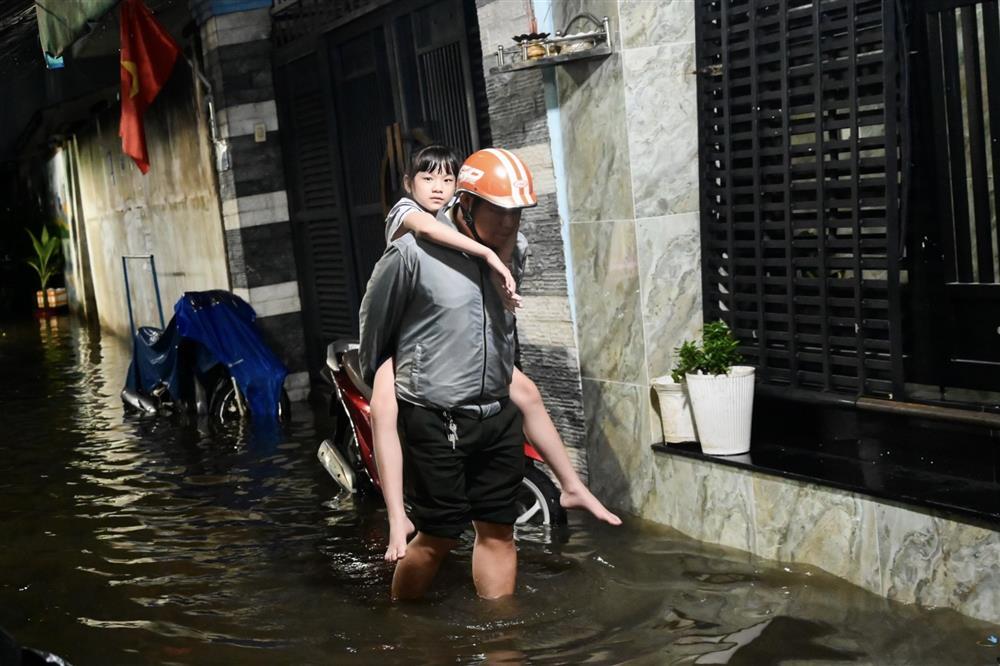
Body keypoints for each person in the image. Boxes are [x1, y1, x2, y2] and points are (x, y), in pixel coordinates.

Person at [361, 148, 618, 602]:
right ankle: (406, 627)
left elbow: (500, 327)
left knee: (499, 531)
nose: (508, 225)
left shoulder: (516, 248)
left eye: (516, 214)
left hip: (496, 415)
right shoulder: (412, 252)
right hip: (435, 417)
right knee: (438, 537)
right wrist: (390, 382)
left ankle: (501, 641)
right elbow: (376, 327)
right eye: (497, 213)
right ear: (466, 203)